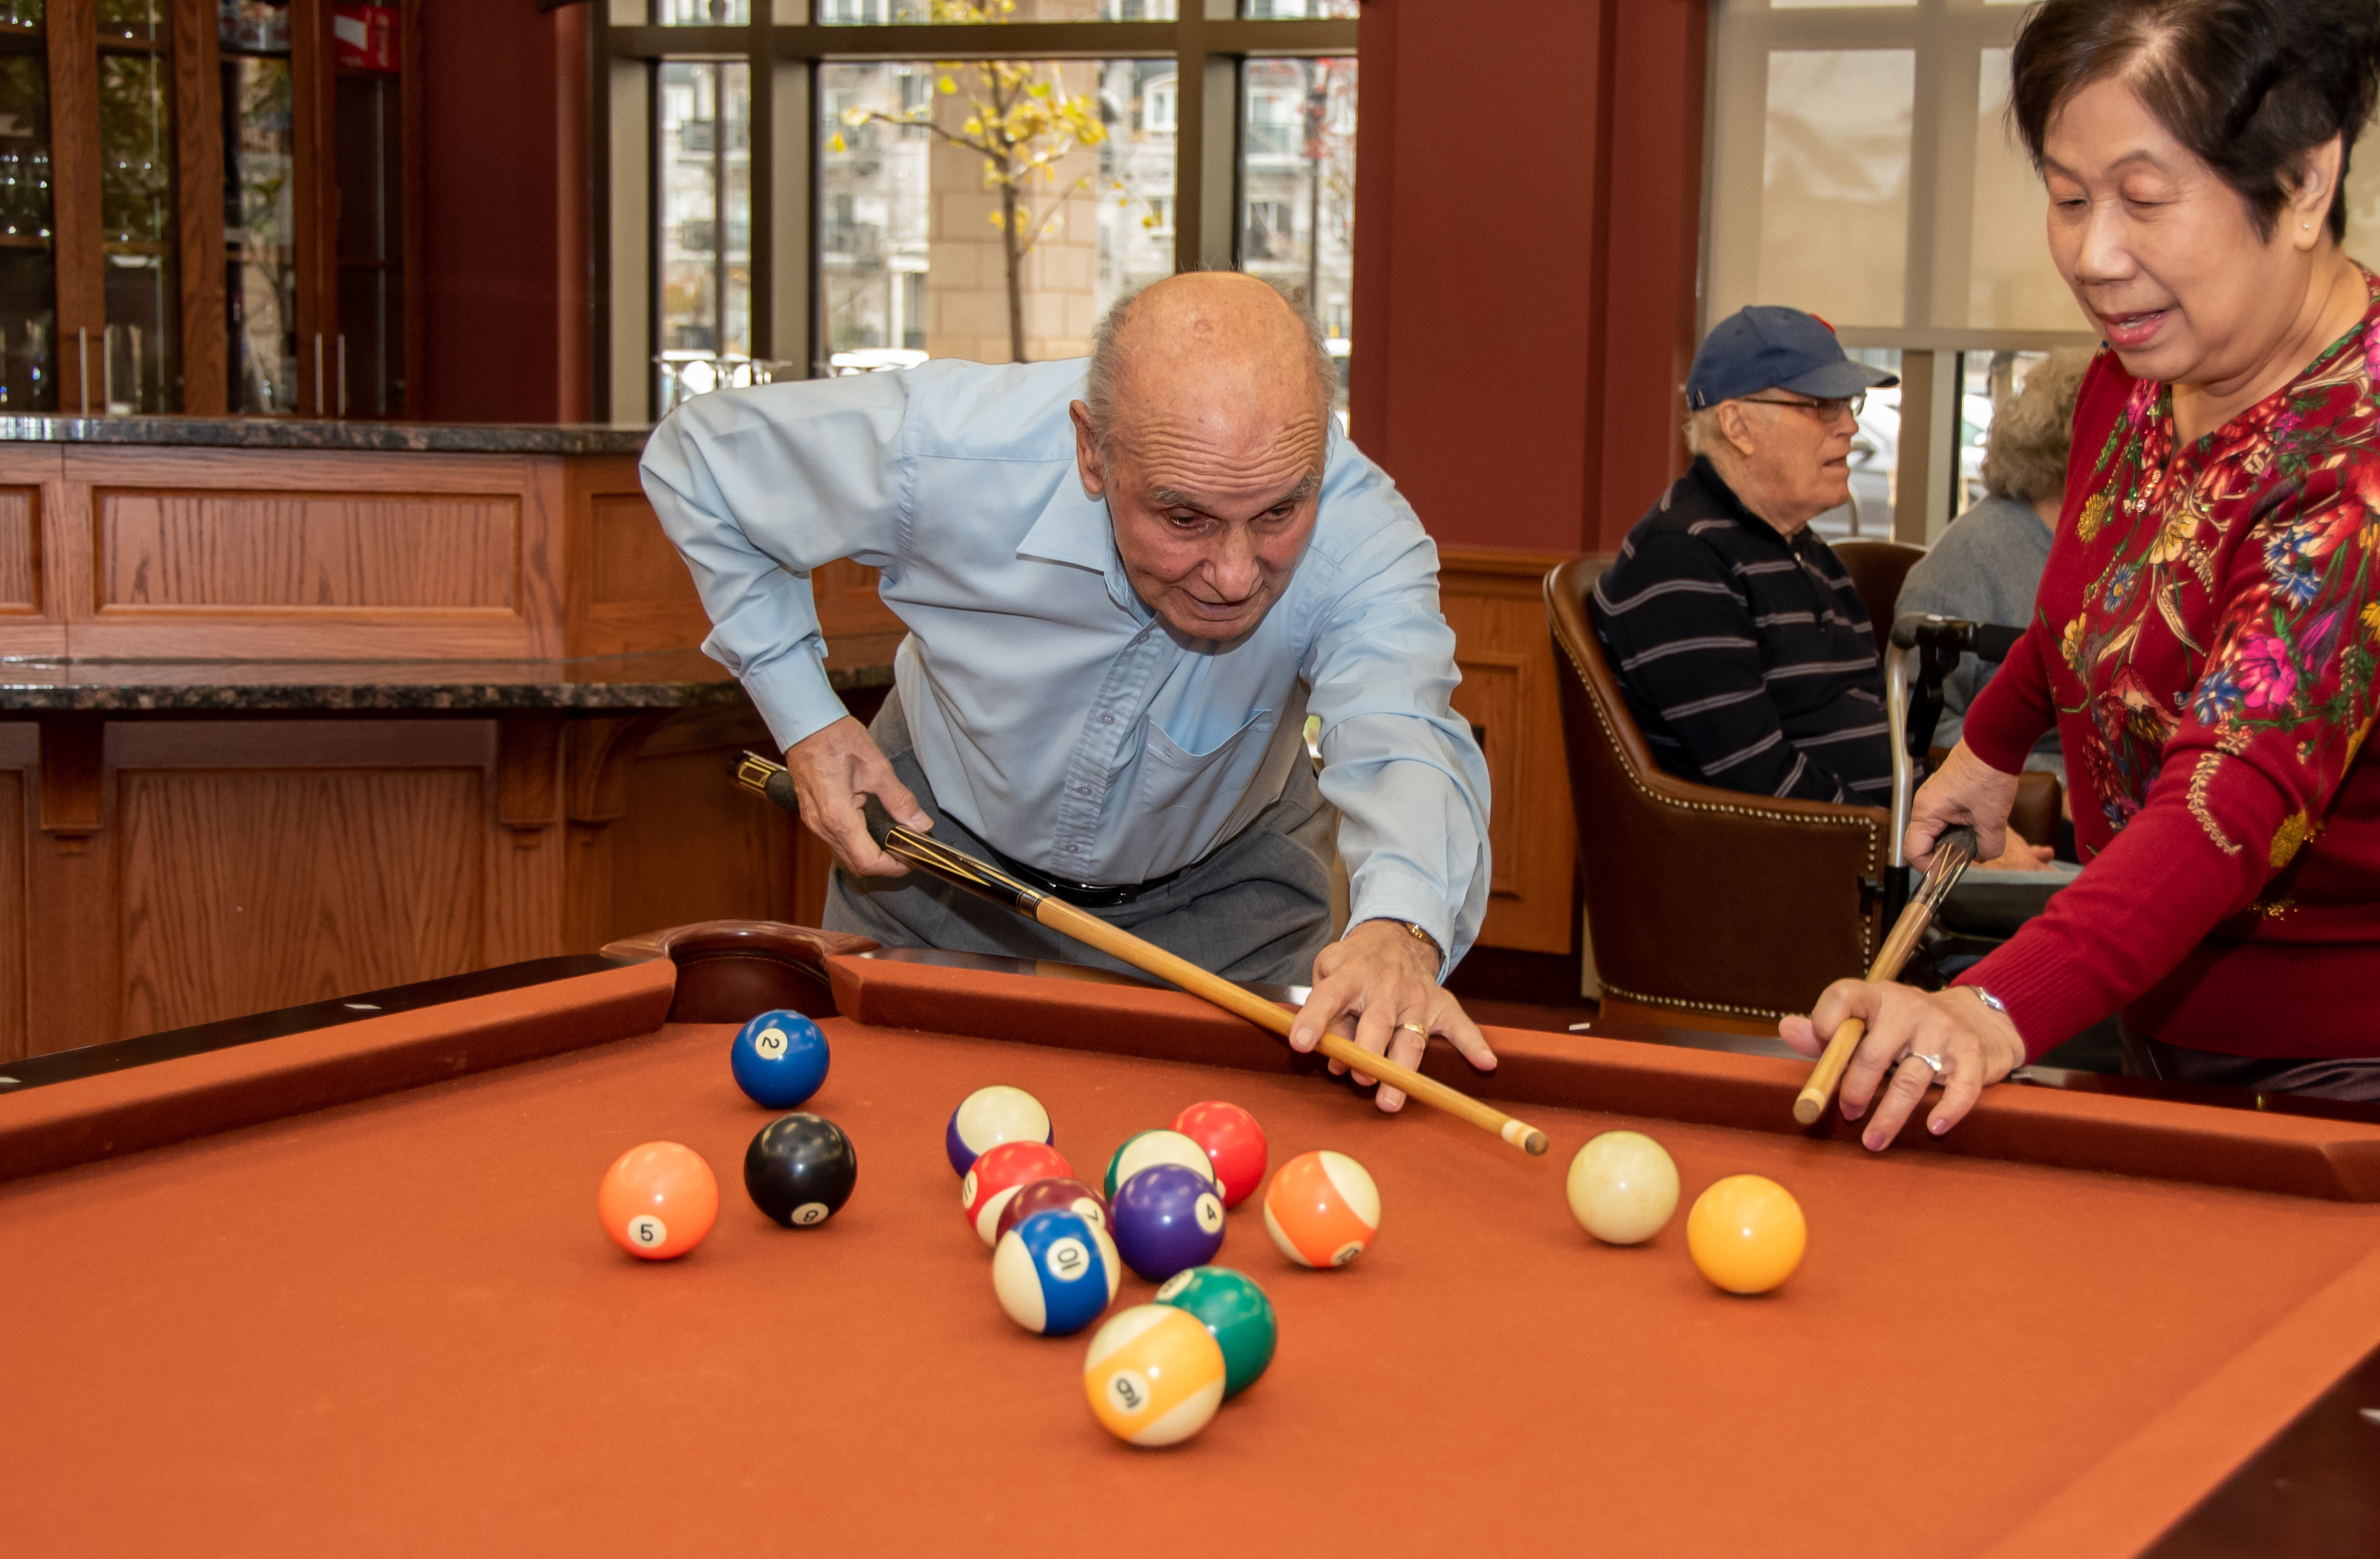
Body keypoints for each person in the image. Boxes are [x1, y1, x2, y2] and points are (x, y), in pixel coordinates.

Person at [1784, 0, 2380, 1149]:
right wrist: (1990, 747)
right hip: (2162, 989)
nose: (2097, 256)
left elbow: (2231, 796)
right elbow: (2089, 588)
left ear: (2305, 180)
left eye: (2146, 199)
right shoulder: (2147, 358)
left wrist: (1990, 1010)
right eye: (2067, 196)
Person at [641, 272, 1497, 1108]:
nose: (1236, 576)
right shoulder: (951, 449)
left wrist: (1402, 930)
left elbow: (1405, 730)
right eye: (1184, 517)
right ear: (1093, 449)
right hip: (933, 876)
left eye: (1278, 512)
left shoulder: (1363, 529)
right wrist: (808, 718)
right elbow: (699, 460)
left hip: (1233, 907)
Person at [1589, 304, 1895, 805]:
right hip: (1804, 864)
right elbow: (1758, 783)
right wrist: (1915, 840)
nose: (1849, 428)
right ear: (1738, 425)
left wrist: (1954, 820)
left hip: (1887, 851)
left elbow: (1876, 735)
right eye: (1823, 406)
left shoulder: (1809, 552)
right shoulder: (1682, 560)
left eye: (1849, 404)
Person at [1893, 350, 2091, 775]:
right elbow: (1925, 732)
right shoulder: (1973, 552)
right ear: (2076, 448)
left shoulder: (2105, 546)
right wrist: (2052, 792)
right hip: (2028, 806)